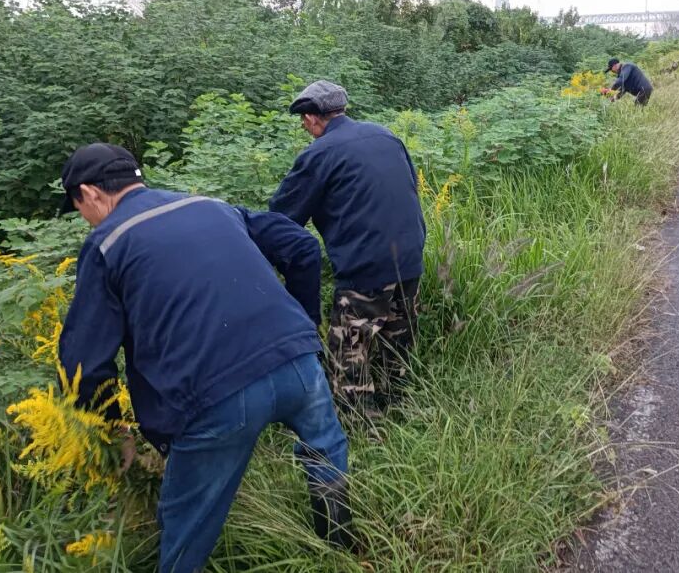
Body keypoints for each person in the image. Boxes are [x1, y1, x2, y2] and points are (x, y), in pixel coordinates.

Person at [56, 142, 353, 573]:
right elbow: (301, 246)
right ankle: (339, 550)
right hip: (298, 364)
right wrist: (304, 328)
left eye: (78, 207)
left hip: (214, 394)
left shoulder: (108, 242)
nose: (85, 218)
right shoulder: (211, 206)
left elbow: (83, 362)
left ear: (90, 193)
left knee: (187, 523)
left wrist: (111, 427)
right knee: (325, 452)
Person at [270, 81, 426, 413]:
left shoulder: (319, 153)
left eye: (304, 120)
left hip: (364, 269)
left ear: (312, 118)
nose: (304, 127)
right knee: (397, 346)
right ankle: (401, 411)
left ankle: (364, 430)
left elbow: (282, 217)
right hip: (410, 259)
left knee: (349, 356)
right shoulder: (386, 136)